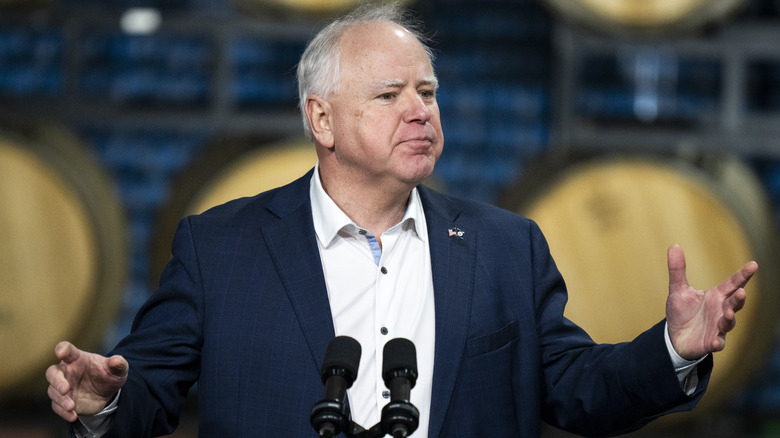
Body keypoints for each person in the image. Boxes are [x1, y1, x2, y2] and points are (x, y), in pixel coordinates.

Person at [46, 3, 758, 437]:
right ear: (320, 118)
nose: (421, 110)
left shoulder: (509, 247)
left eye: (428, 91)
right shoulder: (220, 247)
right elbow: (144, 396)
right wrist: (101, 402)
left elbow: (579, 392)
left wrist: (672, 348)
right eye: (390, 94)